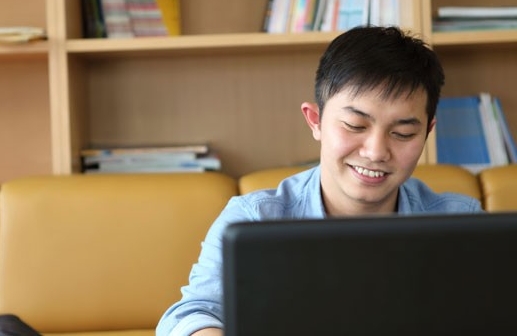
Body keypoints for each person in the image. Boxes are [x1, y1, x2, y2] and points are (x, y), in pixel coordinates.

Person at [156, 25, 482, 336]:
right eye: (355, 126)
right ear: (316, 121)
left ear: (427, 133)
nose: (375, 152)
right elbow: (190, 314)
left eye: (403, 133)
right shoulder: (254, 219)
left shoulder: (463, 224)